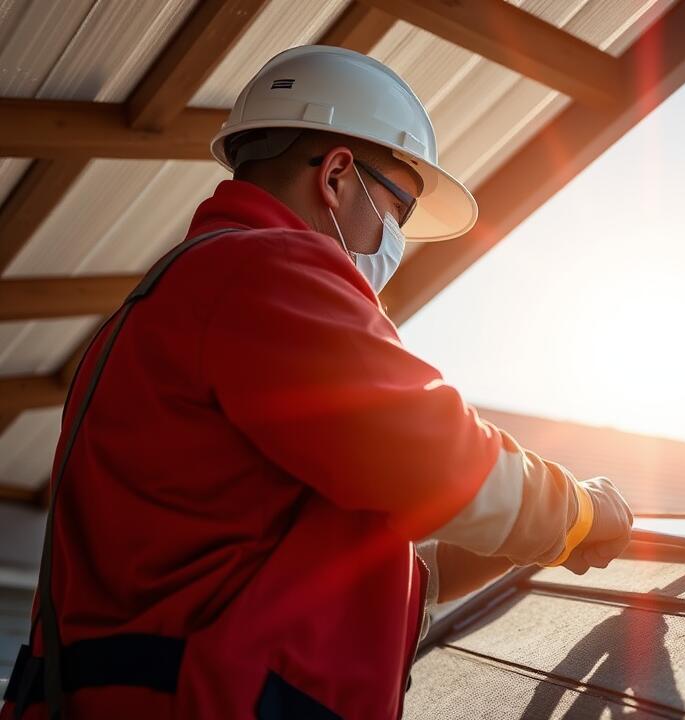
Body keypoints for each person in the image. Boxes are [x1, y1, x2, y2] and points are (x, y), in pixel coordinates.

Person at [0, 45, 633, 719]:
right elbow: (446, 465)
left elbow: (365, 579)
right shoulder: (270, 267)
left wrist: (534, 539)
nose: (397, 239)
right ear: (336, 176)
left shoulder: (171, 304)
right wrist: (581, 511)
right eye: (401, 212)